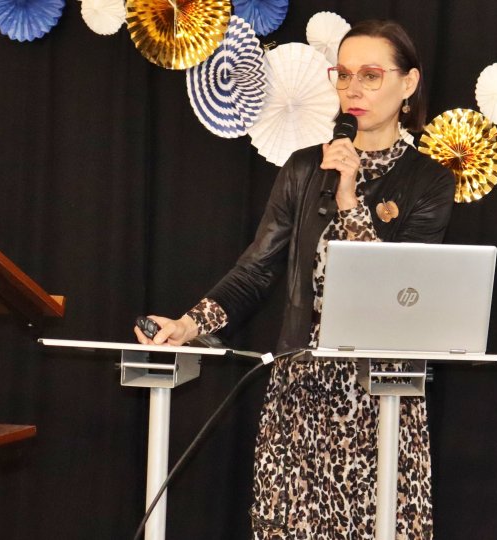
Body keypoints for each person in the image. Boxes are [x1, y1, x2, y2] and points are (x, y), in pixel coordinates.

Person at [134, 19, 454, 539]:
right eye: (344, 74)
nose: (353, 88)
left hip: (383, 397)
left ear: (409, 84)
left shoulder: (430, 181)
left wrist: (349, 198)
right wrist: (187, 326)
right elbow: (255, 270)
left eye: (371, 75)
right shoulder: (304, 168)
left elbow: (395, 293)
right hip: (300, 393)